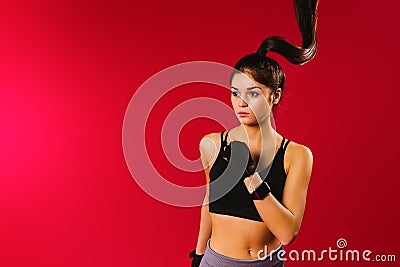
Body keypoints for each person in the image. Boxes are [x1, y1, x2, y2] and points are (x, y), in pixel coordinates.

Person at [189, 0, 319, 266]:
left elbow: (287, 232)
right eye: (236, 93)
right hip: (215, 262)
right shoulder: (213, 144)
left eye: (254, 93)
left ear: (275, 96)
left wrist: (250, 176)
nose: (241, 102)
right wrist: (199, 255)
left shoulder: (296, 155)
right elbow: (208, 204)